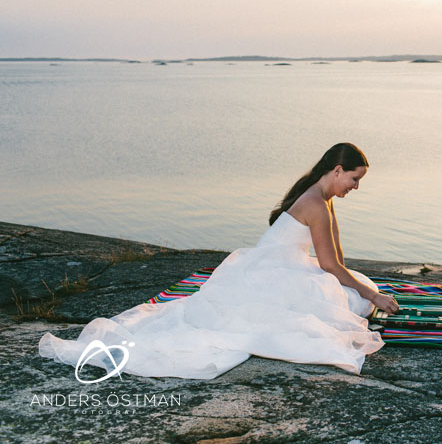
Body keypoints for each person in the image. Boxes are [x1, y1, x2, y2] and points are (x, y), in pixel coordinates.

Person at [39, 143, 398, 377]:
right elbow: (329, 266)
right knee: (349, 303)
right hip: (271, 274)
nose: (355, 186)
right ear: (337, 170)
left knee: (355, 293)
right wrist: (372, 295)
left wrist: (365, 289)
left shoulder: (323, 199)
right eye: (354, 178)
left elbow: (336, 260)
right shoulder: (315, 204)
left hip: (279, 267)